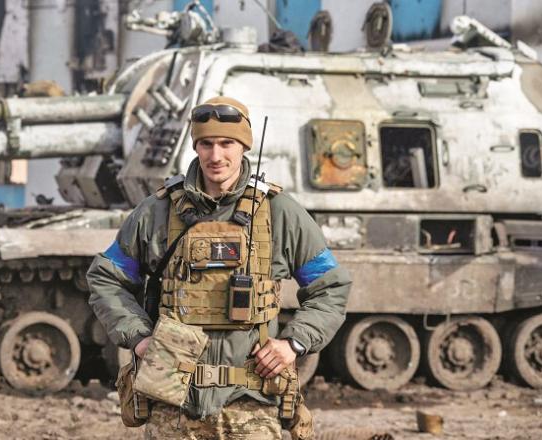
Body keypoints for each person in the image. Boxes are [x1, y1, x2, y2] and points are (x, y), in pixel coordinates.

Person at [87, 96, 351, 439]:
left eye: (227, 143)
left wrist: (293, 344)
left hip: (251, 407)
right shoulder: (157, 212)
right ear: (195, 146)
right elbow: (107, 277)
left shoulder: (280, 213)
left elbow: (331, 286)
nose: (216, 156)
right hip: (173, 408)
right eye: (206, 144)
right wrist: (138, 337)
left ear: (244, 145)